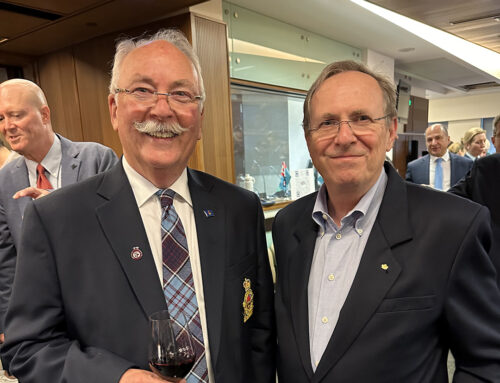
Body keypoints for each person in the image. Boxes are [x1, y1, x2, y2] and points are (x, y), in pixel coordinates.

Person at [2, 29, 275, 383]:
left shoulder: (239, 208)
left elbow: (259, 334)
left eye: (181, 94)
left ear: (201, 117)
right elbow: (27, 349)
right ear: (114, 109)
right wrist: (117, 378)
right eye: (142, 90)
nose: (162, 110)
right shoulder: (56, 218)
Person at [273, 60, 500, 382]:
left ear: (391, 130)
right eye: (326, 123)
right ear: (308, 138)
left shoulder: (453, 227)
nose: (344, 136)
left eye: (361, 118)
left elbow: (487, 364)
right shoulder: (288, 225)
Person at [0, 79, 118, 366]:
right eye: (1, 118)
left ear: (44, 114)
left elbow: (122, 234)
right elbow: (7, 262)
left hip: (103, 312)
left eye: (16, 115)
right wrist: (9, 324)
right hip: (45, 324)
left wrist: (60, 208)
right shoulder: (3, 181)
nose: (7, 126)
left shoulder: (97, 158)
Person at [449, 153, 500, 282]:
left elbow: (451, 200)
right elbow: (453, 199)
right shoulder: (485, 166)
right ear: (493, 140)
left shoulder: (485, 165)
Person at [405, 124, 472, 190]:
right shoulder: (414, 167)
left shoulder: (466, 165)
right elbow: (409, 194)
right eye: (429, 140)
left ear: (448, 139)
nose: (433, 143)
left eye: (438, 138)